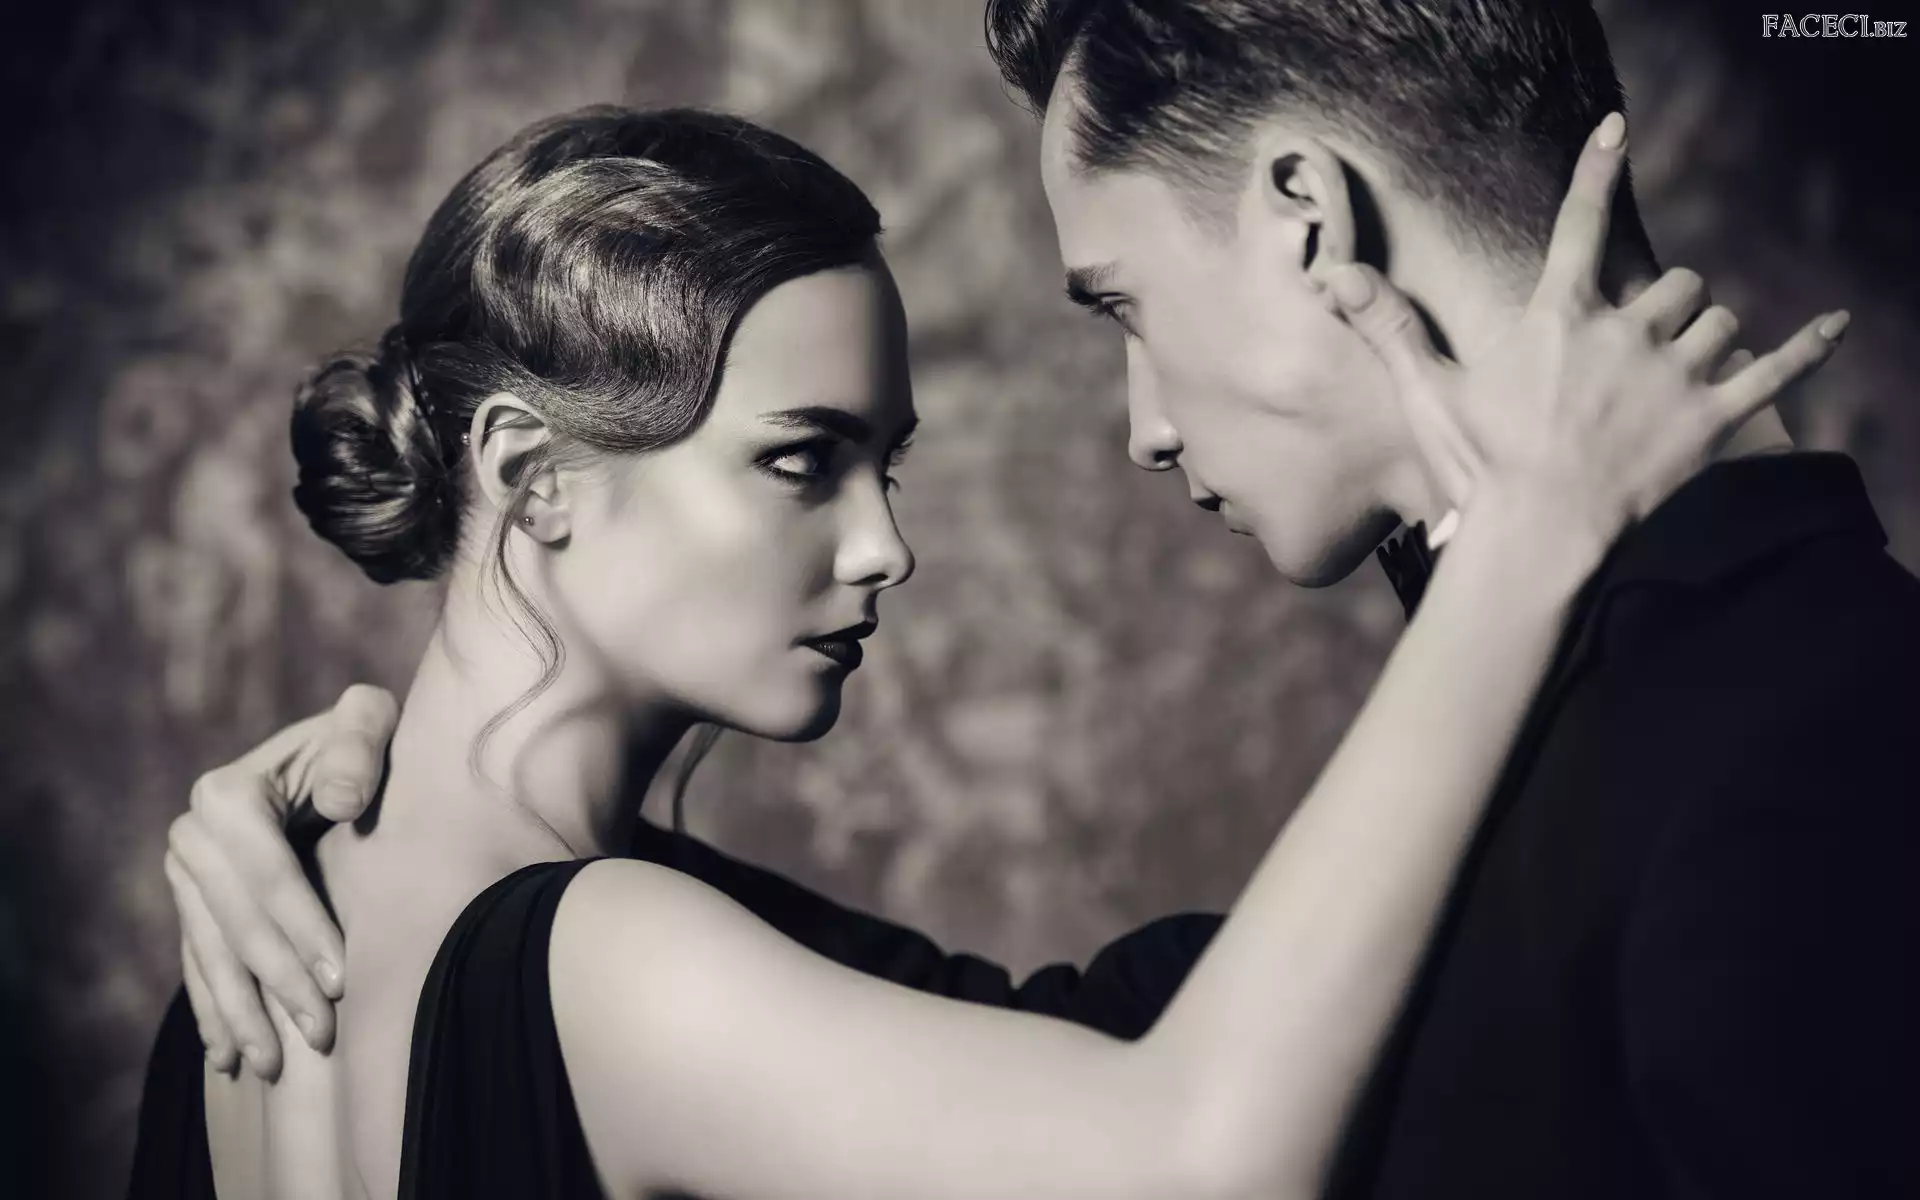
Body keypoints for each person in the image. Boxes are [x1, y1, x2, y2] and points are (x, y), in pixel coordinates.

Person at [154, 0, 1920, 1195]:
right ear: (531, 477)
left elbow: (1097, 1022)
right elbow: (1187, 1148)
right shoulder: (613, 963)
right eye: (801, 459)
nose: (889, 550)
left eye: (884, 463)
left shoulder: (258, 961)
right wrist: (1524, 541)